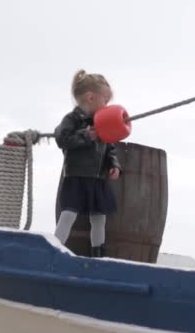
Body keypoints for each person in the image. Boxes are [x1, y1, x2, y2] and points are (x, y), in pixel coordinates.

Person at [53, 69, 122, 258]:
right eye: (105, 101)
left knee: (99, 218)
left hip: (97, 178)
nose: (107, 105)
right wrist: (86, 135)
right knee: (68, 215)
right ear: (91, 98)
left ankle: (98, 253)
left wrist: (113, 164)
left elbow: (109, 146)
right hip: (76, 176)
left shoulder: (102, 122)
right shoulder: (72, 119)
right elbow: (62, 138)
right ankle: (54, 251)